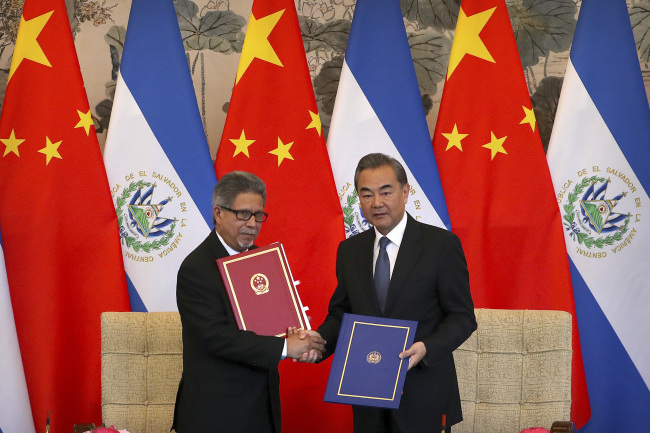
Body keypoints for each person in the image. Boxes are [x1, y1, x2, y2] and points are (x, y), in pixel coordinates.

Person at [301, 153, 477, 433]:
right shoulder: (350, 250)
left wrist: (427, 348)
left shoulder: (441, 245)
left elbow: (462, 317)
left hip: (422, 389)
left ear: (405, 192)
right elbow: (342, 313)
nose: (377, 203)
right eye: (367, 194)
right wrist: (319, 342)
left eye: (386, 192)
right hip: (367, 390)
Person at [172, 171, 326, 433]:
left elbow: (268, 323)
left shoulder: (261, 258)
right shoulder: (196, 268)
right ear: (218, 214)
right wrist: (286, 347)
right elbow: (216, 337)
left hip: (261, 407)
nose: (252, 223)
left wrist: (293, 328)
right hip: (217, 414)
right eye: (243, 214)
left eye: (258, 215)